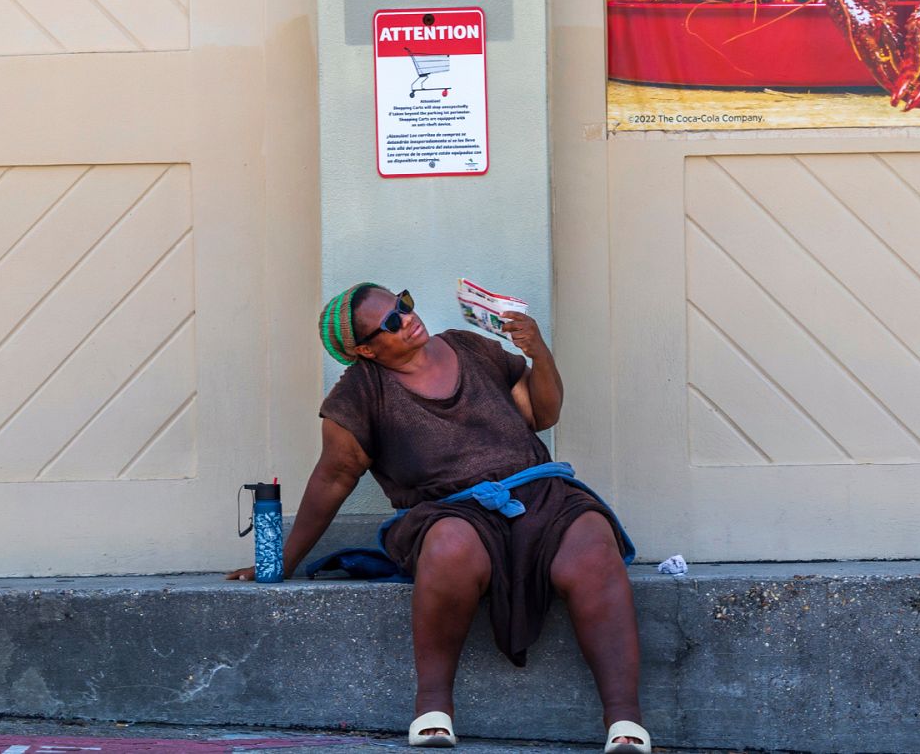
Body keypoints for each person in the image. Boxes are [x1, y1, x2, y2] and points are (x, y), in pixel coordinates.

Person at [227, 283, 650, 753]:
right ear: (365, 350)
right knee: (451, 545)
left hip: (539, 494)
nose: (408, 318)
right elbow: (333, 480)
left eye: (402, 304)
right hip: (445, 512)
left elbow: (543, 414)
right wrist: (284, 560)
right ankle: (433, 708)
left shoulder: (469, 347)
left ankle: (624, 721)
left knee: (591, 537)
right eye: (391, 322)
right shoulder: (359, 396)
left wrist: (538, 352)